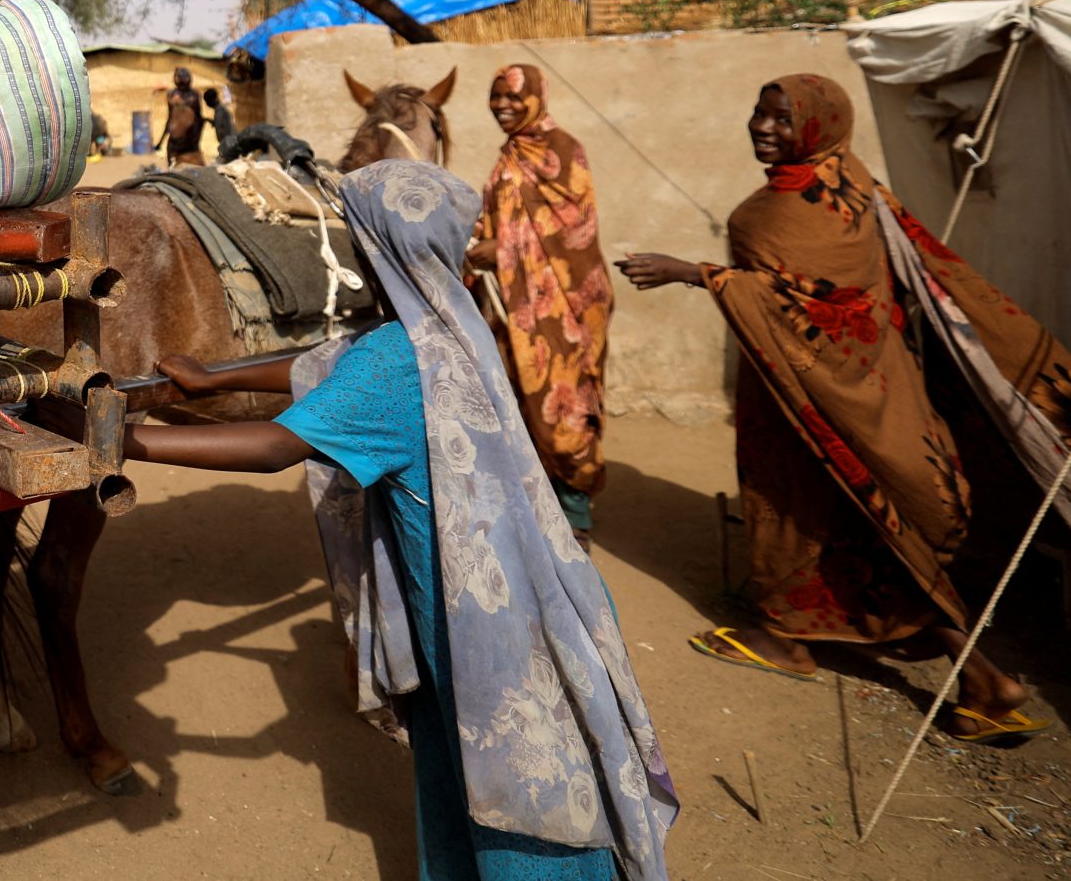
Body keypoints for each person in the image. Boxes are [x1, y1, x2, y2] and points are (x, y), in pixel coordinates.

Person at [134, 160, 677, 881]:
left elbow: (274, 446)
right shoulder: (452, 321)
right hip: (524, 594)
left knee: (509, 787)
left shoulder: (396, 360)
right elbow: (331, 362)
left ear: (376, 246)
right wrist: (218, 376)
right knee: (488, 762)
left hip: (473, 624)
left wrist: (123, 440)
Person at [617, 74, 1071, 741]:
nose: (760, 126)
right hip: (878, 384)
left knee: (834, 510)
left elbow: (815, 305)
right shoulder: (854, 180)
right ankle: (821, 639)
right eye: (757, 112)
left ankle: (965, 671)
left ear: (818, 122)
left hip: (820, 391)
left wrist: (694, 272)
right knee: (856, 515)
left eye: (779, 117)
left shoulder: (779, 209)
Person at [464, 65, 613, 543]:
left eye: (513, 96)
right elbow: (497, 220)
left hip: (564, 302)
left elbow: (573, 233)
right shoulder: (508, 155)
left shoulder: (562, 150)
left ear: (537, 97)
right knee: (519, 405)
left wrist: (502, 252)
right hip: (514, 303)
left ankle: (576, 519)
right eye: (496, 98)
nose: (503, 106)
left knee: (563, 406)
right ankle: (537, 517)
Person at [160, 67, 208, 166]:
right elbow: (171, 119)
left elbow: (197, 118)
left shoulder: (174, 96)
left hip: (185, 141)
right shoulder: (189, 95)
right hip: (184, 141)